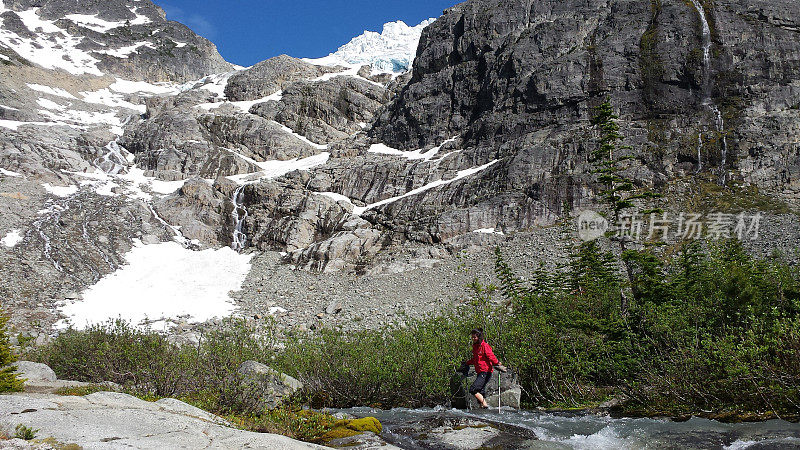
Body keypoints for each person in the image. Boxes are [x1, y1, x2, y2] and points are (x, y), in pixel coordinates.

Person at [462, 328, 507, 409]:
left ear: (479, 337)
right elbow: (475, 359)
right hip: (480, 372)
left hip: (485, 372)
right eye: (472, 337)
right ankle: (483, 409)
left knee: (473, 389)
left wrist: (497, 363)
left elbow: (491, 356)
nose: (473, 339)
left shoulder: (485, 346)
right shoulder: (475, 347)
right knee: (480, 391)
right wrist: (467, 363)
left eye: (474, 337)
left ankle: (485, 405)